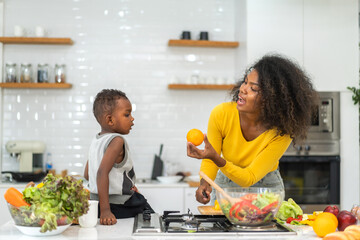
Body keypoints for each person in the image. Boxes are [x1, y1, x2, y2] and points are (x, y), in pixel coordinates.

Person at [187, 54, 318, 204]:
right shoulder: (222, 114)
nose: (243, 89)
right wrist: (205, 184)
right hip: (225, 185)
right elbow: (211, 159)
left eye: (253, 88)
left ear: (273, 99)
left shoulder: (282, 132)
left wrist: (215, 158)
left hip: (266, 188)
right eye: (245, 82)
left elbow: (248, 177)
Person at [84, 89, 153, 225]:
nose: (132, 118)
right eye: (127, 114)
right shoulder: (117, 141)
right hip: (119, 205)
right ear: (110, 119)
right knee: (153, 220)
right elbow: (102, 173)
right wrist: (105, 210)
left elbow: (87, 175)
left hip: (95, 204)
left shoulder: (96, 141)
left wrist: (125, 186)